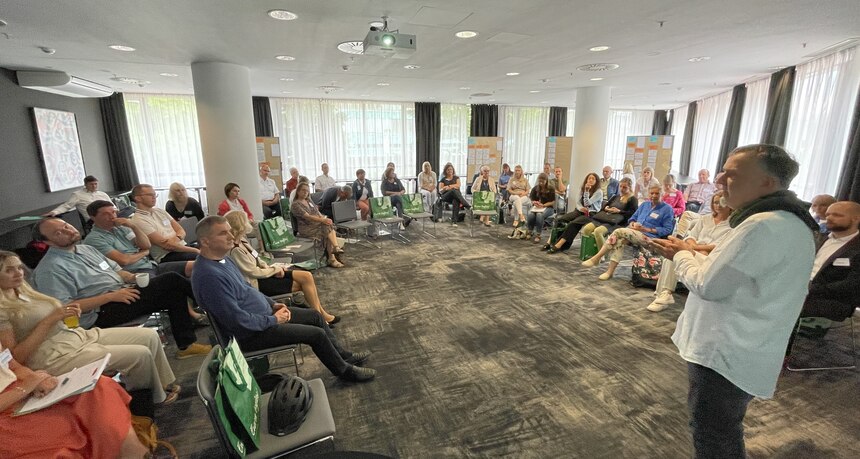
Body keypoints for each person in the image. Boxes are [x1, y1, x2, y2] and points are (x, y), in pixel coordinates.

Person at [649, 144, 818, 459]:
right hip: (741, 345)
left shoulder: (762, 225)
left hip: (725, 350)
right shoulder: (789, 222)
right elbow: (736, 269)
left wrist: (681, 254)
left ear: (767, 182)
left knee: (714, 435)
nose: (720, 179)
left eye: (732, 173)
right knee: (721, 431)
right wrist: (699, 253)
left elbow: (708, 284)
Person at [192, 216, 375, 382]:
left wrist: (272, 304)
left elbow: (247, 290)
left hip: (263, 316)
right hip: (250, 333)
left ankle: (343, 355)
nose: (231, 236)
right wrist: (274, 319)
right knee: (316, 334)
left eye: (230, 231)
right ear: (205, 241)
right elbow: (237, 320)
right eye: (223, 233)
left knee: (314, 316)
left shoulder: (223, 260)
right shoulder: (209, 277)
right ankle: (345, 372)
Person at [0, 251, 181, 404]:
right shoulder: (2, 309)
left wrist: (65, 313)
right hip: (52, 356)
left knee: (148, 336)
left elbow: (53, 317)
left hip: (75, 336)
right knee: (139, 355)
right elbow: (16, 357)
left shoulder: (25, 292)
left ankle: (161, 385)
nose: (18, 273)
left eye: (18, 267)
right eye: (9, 270)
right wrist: (50, 320)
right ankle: (147, 402)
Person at [31, 217, 211, 360]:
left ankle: (186, 346)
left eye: (66, 225)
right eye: (58, 232)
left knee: (173, 291)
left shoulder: (86, 249)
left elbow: (117, 271)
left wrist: (132, 277)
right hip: (100, 312)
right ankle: (217, 303)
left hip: (123, 292)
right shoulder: (50, 269)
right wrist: (110, 297)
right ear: (48, 242)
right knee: (171, 280)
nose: (67, 230)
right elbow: (66, 308)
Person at [0, 349, 149, 458]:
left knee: (98, 388)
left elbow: (13, 366)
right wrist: (25, 388)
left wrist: (37, 378)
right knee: (58, 436)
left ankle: (132, 451)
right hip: (7, 407)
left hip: (23, 391)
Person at [84, 200, 207, 326]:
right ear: (93, 217)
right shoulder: (94, 239)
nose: (112, 216)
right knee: (172, 285)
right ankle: (198, 311)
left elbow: (146, 245)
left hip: (151, 265)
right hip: (136, 273)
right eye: (106, 214)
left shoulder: (122, 229)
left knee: (199, 265)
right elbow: (124, 260)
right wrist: (143, 252)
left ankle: (204, 302)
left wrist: (133, 226)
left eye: (114, 212)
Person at [224, 211, 340, 325]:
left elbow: (257, 258)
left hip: (266, 272)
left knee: (307, 276)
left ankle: (322, 315)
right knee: (303, 283)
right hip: (258, 282)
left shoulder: (242, 240)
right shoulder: (236, 250)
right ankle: (320, 318)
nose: (249, 222)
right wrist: (275, 270)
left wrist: (270, 267)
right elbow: (253, 272)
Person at [786, 201, 860, 347]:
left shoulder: (856, 247)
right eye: (828, 214)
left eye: (837, 215)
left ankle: (779, 350)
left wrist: (809, 289)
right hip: (800, 289)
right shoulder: (819, 237)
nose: (830, 218)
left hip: (832, 300)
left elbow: (852, 285)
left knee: (778, 304)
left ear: (856, 218)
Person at [646, 192, 732, 312]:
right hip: (695, 250)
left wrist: (693, 248)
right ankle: (665, 293)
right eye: (715, 202)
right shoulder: (705, 218)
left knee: (676, 254)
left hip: (712, 258)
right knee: (673, 255)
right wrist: (693, 247)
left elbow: (718, 246)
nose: (718, 205)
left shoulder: (732, 224)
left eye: (721, 202)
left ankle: (664, 294)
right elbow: (691, 236)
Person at [582, 185, 674, 280]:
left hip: (649, 237)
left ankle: (596, 258)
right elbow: (632, 218)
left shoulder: (667, 209)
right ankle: (609, 272)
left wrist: (647, 229)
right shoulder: (644, 205)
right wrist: (633, 223)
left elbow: (667, 229)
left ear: (662, 194)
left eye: (657, 193)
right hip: (634, 233)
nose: (654, 195)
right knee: (619, 241)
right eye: (652, 193)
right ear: (648, 194)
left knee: (618, 231)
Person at [545, 177, 637, 254]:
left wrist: (619, 211)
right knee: (567, 222)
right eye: (621, 186)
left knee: (592, 229)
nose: (622, 189)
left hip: (615, 221)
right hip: (602, 217)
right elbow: (602, 207)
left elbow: (632, 214)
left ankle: (602, 253)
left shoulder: (632, 199)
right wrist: (607, 208)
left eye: (624, 187)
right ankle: (554, 242)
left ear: (630, 188)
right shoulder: (615, 196)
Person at [130, 184, 200, 263]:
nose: (154, 197)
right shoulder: (138, 220)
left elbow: (181, 230)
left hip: (182, 246)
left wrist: (177, 238)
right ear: (138, 198)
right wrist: (195, 250)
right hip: (167, 255)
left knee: (213, 248)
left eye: (154, 194)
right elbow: (167, 246)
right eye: (150, 195)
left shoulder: (160, 211)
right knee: (205, 257)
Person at [290, 183, 345, 268]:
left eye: (307, 191)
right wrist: (322, 220)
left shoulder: (309, 201)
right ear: (298, 191)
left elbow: (317, 212)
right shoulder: (295, 204)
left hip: (316, 224)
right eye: (303, 190)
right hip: (307, 228)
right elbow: (307, 217)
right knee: (326, 227)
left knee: (327, 224)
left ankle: (333, 254)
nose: (305, 193)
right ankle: (334, 253)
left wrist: (324, 218)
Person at [44, 175, 111, 224]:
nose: (94, 186)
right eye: (91, 184)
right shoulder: (78, 195)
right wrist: (54, 212)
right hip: (93, 219)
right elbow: (66, 206)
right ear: (85, 184)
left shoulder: (102, 194)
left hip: (109, 216)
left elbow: (113, 207)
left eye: (95, 184)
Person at [524, 173, 556, 243]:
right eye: (539, 182)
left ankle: (538, 234)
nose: (541, 183)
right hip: (537, 207)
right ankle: (530, 231)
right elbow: (532, 199)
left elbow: (553, 202)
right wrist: (535, 202)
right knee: (530, 214)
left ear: (546, 181)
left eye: (542, 182)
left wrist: (543, 205)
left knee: (539, 214)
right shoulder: (535, 188)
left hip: (549, 208)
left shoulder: (551, 189)